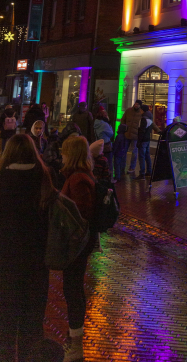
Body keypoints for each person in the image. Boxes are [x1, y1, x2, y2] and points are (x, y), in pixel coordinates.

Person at [0, 134, 55, 361]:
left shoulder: (2, 178)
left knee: (4, 323)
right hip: (36, 264)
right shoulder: (44, 178)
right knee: (31, 325)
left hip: (4, 264)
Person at [60, 135, 97, 362]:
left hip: (76, 245)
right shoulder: (80, 176)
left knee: (72, 289)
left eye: (65, 152)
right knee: (73, 288)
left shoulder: (78, 180)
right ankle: (73, 335)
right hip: (79, 243)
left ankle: (75, 342)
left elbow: (82, 215)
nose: (62, 155)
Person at [136, 104, 160, 180]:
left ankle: (142, 174)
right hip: (147, 140)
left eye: (140, 109)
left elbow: (141, 131)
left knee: (142, 157)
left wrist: (139, 142)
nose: (139, 110)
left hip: (143, 141)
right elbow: (153, 127)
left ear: (142, 110)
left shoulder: (143, 119)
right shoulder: (149, 119)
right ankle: (149, 171)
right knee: (147, 156)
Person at [123, 99, 143, 175]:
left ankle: (132, 167)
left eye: (138, 104)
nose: (136, 105)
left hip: (135, 136)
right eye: (136, 103)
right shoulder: (128, 111)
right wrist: (124, 130)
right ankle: (123, 166)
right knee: (124, 150)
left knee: (134, 152)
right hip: (127, 134)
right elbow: (123, 120)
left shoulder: (141, 113)